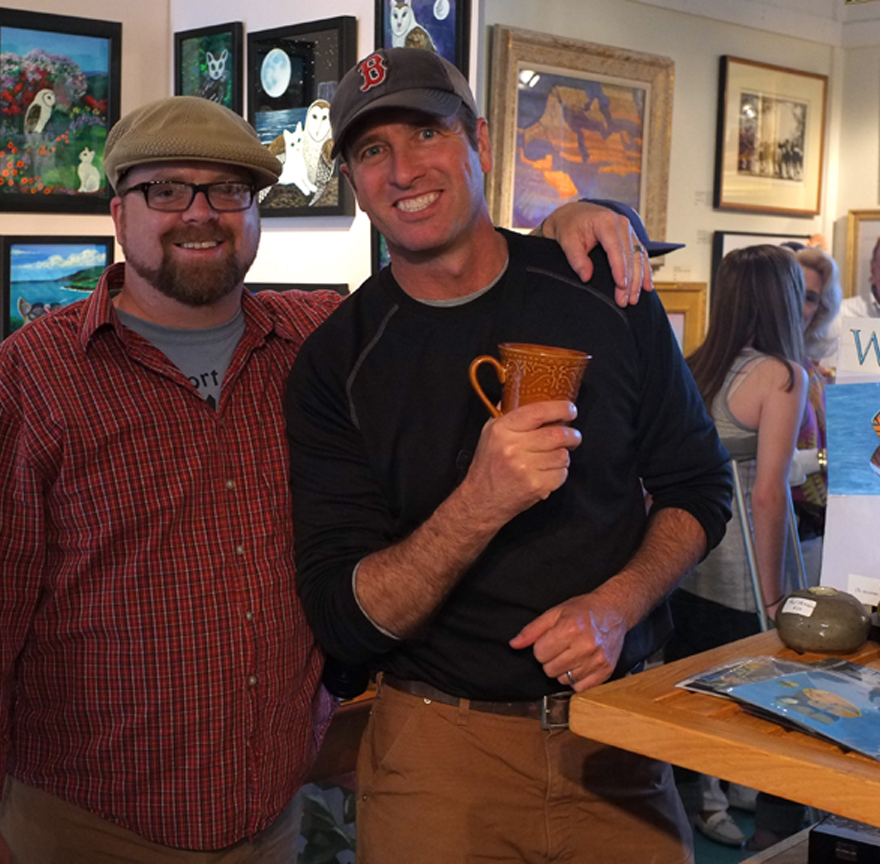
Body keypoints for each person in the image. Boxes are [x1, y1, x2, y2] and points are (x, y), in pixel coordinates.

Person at [0, 94, 653, 864]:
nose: (200, 213)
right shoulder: (31, 381)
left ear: (256, 213)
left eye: (228, 190)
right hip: (88, 822)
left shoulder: (317, 343)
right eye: (166, 189)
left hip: (268, 816)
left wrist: (570, 223)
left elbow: (452, 288)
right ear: (120, 213)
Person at [286, 48, 733, 864]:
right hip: (439, 752)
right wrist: (479, 501)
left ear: (481, 143)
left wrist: (616, 606)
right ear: (351, 179)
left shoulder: (602, 291)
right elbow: (345, 618)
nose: (403, 169)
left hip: (617, 735)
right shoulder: (335, 362)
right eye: (372, 149)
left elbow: (697, 486)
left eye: (427, 132)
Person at [663, 245, 809, 850]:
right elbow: (768, 494)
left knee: (691, 699)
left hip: (687, 563)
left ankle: (699, 804)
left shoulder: (694, 365)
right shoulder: (781, 375)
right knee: (784, 704)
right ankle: (770, 835)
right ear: (786, 299)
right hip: (745, 571)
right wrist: (774, 598)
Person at [789, 248, 841, 577]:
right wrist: (827, 458)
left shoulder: (813, 371)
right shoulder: (760, 367)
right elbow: (763, 465)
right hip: (772, 530)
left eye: (810, 297)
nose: (799, 306)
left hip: (815, 530)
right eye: (792, 291)